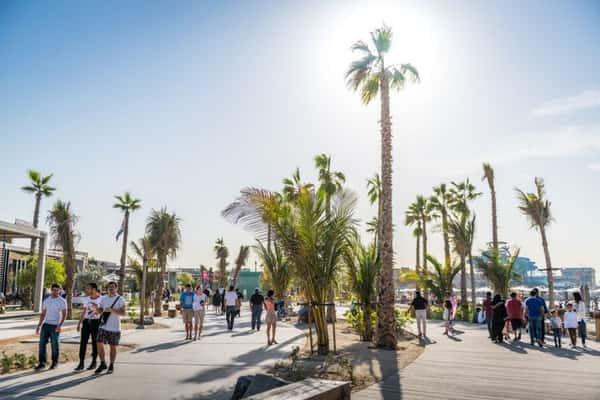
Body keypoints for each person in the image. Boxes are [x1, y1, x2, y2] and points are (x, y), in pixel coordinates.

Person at [34, 283, 67, 371]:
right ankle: (42, 363)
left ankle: (54, 363)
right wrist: (39, 325)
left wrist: (59, 325)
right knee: (41, 345)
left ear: (59, 291)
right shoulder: (46, 300)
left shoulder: (62, 301)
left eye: (57, 290)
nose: (55, 292)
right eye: (54, 290)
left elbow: (64, 314)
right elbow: (43, 314)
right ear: (51, 290)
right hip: (46, 325)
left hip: (55, 325)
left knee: (54, 345)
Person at [95, 281, 126, 375]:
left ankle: (111, 365)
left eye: (113, 287)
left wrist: (112, 310)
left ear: (116, 288)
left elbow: (123, 313)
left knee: (113, 346)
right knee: (99, 343)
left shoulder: (120, 299)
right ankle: (102, 363)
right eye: (109, 287)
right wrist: (97, 309)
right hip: (103, 326)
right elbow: (100, 310)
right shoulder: (103, 298)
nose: (111, 289)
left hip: (115, 327)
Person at [75, 282, 102, 371]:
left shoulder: (101, 299)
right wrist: (79, 323)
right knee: (83, 342)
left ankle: (94, 361)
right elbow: (84, 311)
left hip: (96, 322)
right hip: (86, 322)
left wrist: (95, 308)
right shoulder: (86, 299)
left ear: (94, 289)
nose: (87, 290)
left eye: (88, 288)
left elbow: (101, 312)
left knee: (95, 342)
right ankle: (81, 362)